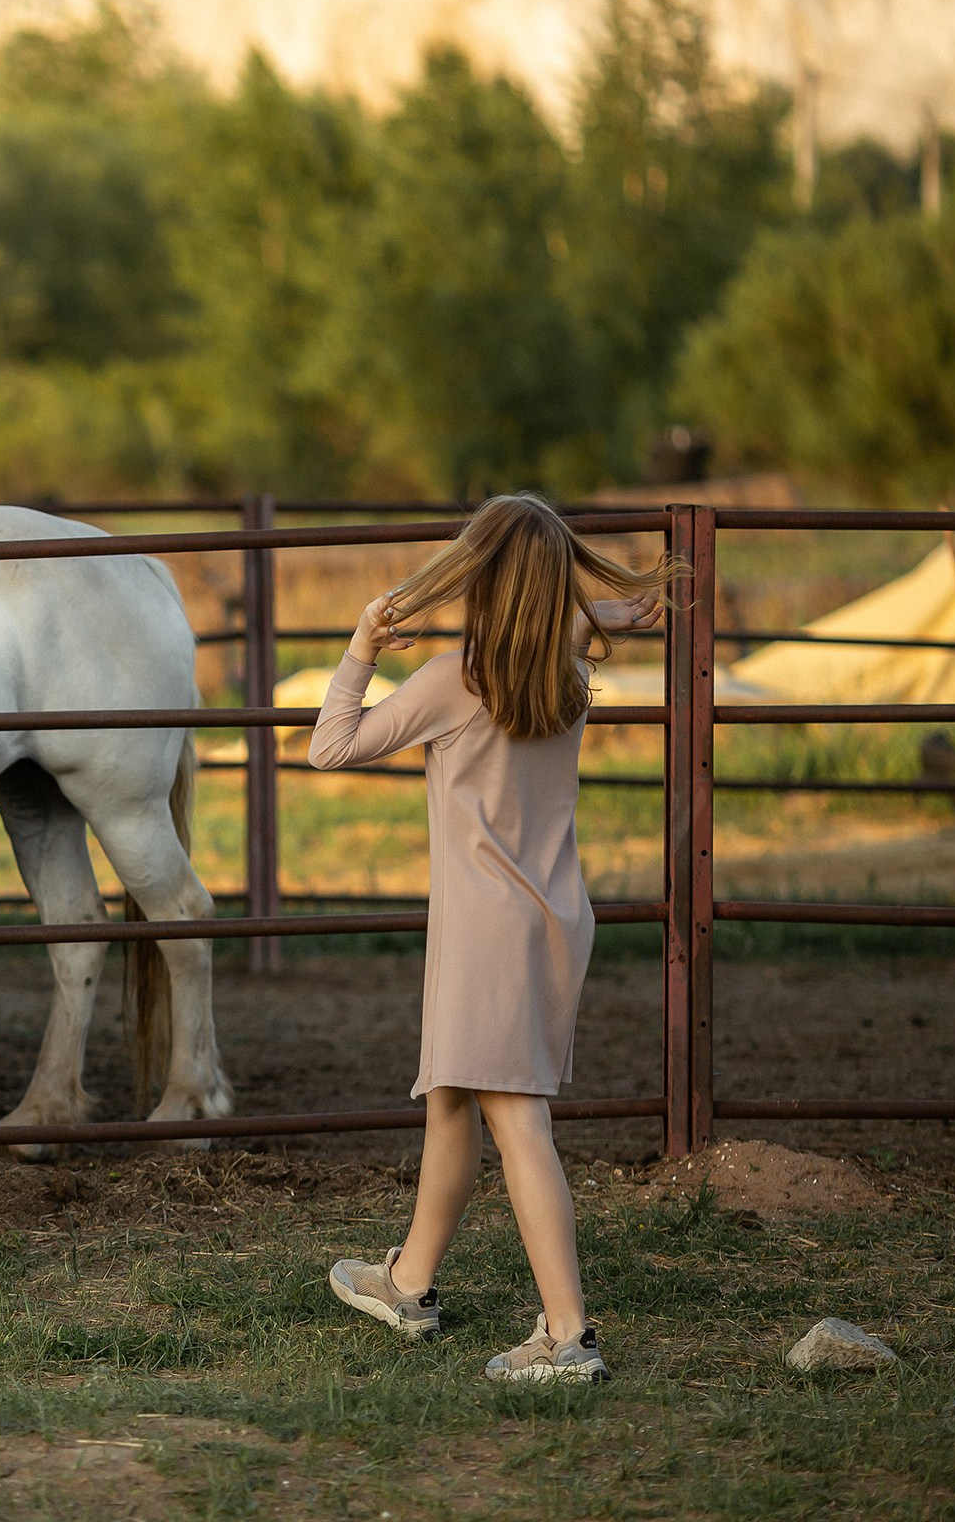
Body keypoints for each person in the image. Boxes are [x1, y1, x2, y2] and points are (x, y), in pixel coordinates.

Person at [306, 493, 679, 1385]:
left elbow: (330, 746)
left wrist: (360, 646)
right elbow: (570, 624)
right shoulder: (566, 674)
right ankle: (408, 1282)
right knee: (451, 1099)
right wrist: (614, 611)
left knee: (515, 1119)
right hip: (552, 919)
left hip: (484, 931)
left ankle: (568, 1336)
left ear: (478, 579)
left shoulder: (453, 679)